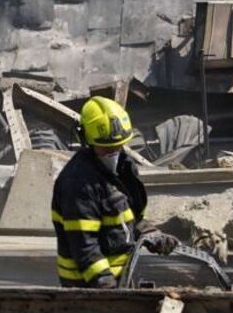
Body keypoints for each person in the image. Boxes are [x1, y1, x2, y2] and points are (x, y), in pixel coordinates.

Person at [51, 96, 177, 288]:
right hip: (86, 287)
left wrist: (153, 236)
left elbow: (131, 219)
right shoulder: (78, 184)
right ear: (86, 140)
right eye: (106, 147)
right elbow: (85, 245)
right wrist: (106, 284)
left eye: (117, 146)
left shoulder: (124, 169)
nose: (113, 152)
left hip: (121, 279)